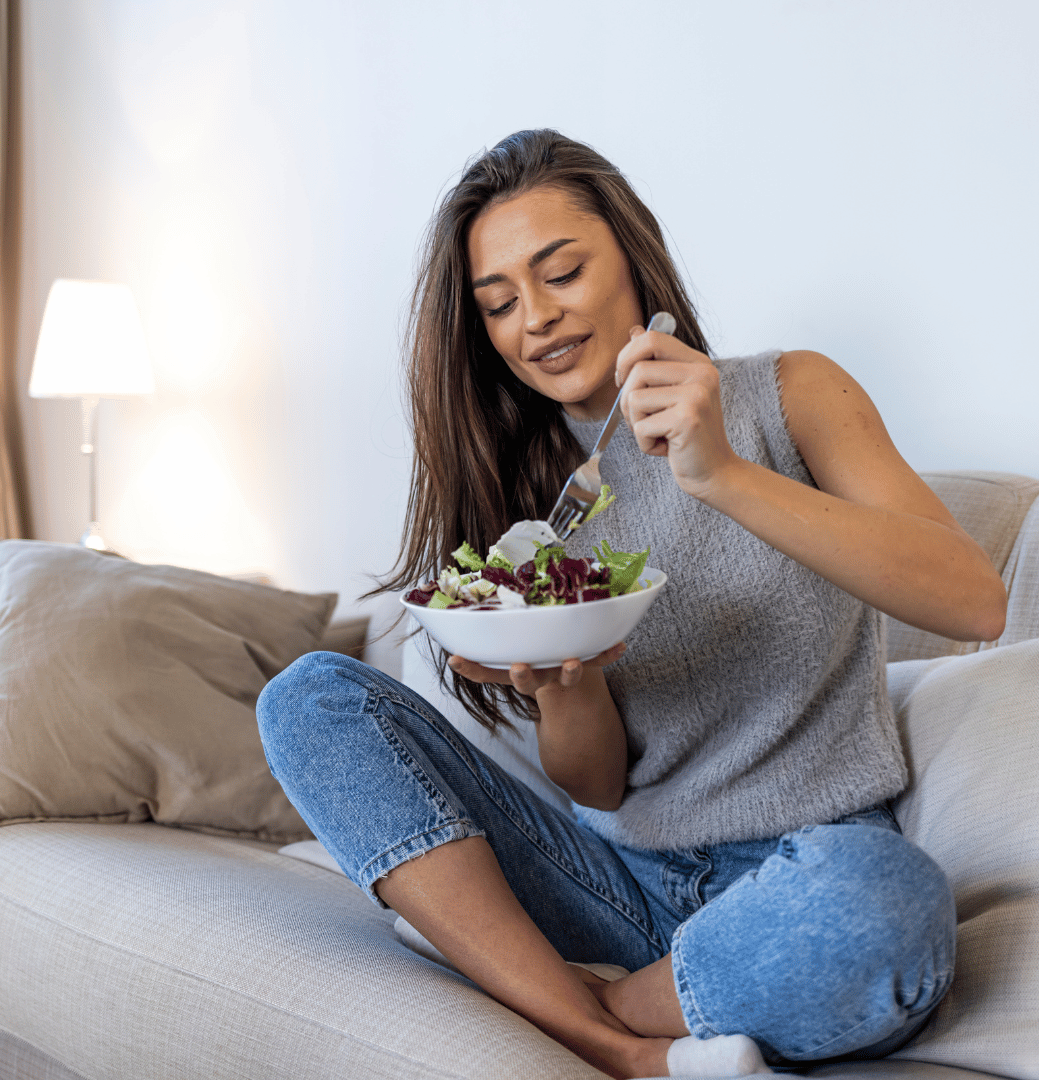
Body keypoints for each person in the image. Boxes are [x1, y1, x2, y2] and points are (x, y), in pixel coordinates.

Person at [256, 130, 1007, 1080]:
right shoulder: (532, 491)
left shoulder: (789, 395)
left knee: (890, 904)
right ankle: (621, 1046)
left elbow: (973, 600)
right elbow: (598, 787)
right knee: (311, 697)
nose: (534, 318)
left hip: (802, 880)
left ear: (629, 255)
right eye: (498, 304)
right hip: (613, 882)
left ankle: (576, 1004)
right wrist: (561, 682)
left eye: (560, 271)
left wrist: (721, 473)